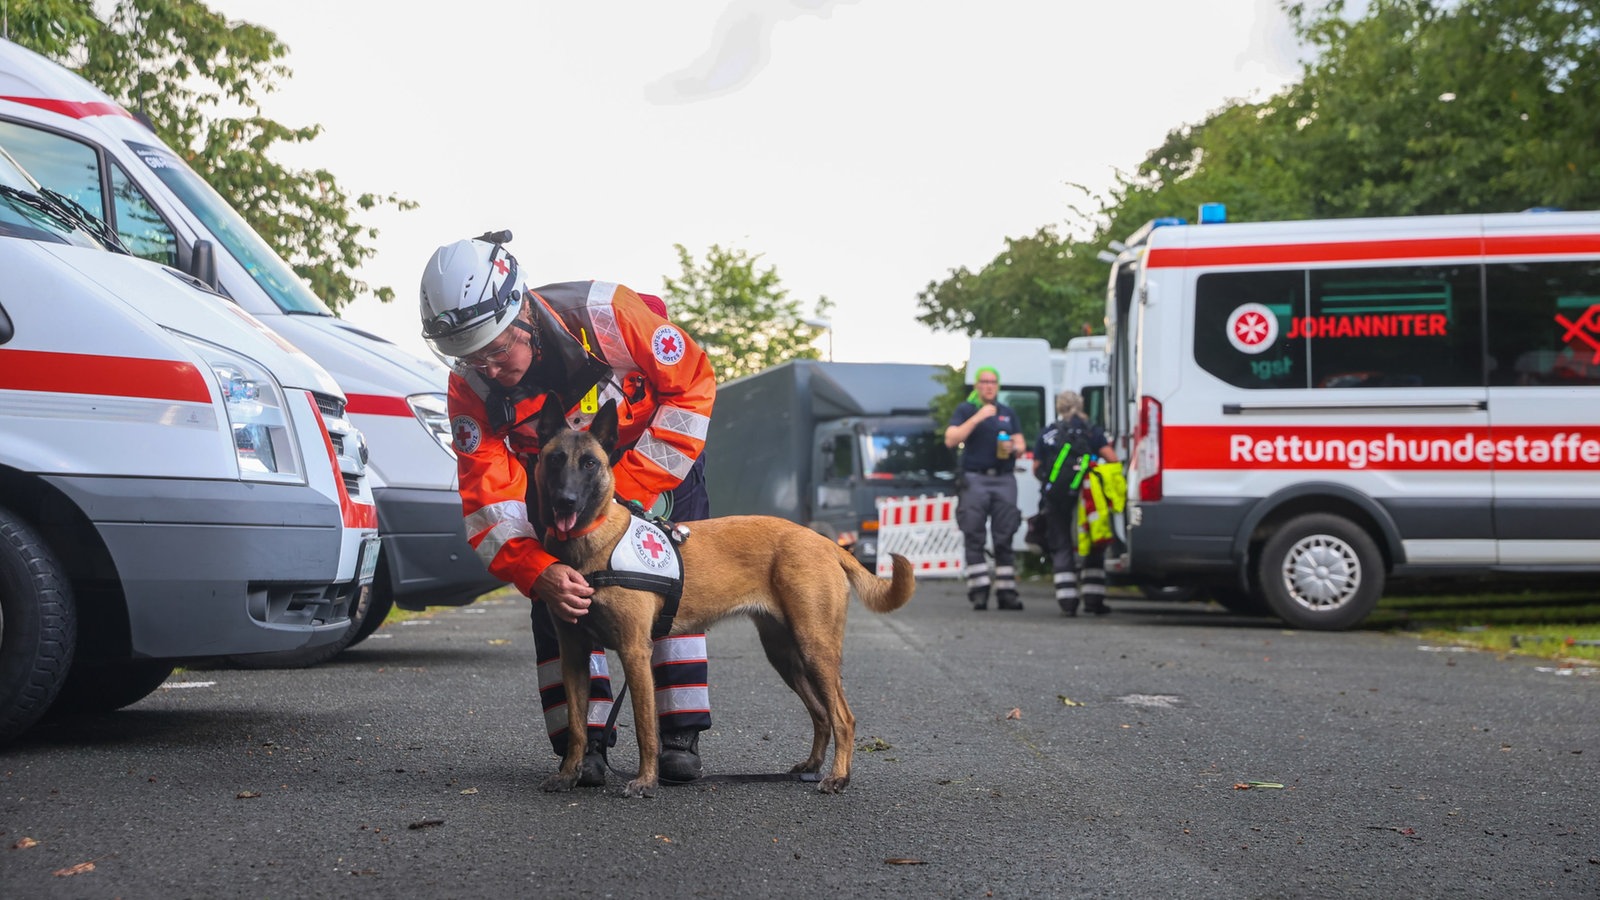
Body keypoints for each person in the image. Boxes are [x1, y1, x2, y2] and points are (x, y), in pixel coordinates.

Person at [419, 231, 716, 786]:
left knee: (669, 582)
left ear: (523, 311)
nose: (486, 366)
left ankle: (678, 737)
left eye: (497, 348)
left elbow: (692, 387)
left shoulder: (609, 313)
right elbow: (489, 501)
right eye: (470, 355)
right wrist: (537, 570)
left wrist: (621, 491)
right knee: (556, 601)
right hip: (556, 475)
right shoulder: (470, 389)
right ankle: (586, 746)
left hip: (656, 457)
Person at [945, 366, 1027, 610]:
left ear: (998, 386)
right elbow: (951, 439)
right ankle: (979, 590)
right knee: (974, 533)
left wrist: (1015, 446)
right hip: (975, 479)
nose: (989, 386)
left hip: (1003, 479)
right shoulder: (966, 410)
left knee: (1005, 533)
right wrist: (979, 417)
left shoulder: (1008, 413)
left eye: (993, 382)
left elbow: (1021, 443)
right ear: (977, 386)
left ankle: (1006, 591)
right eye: (985, 382)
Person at [1033, 389, 1118, 616]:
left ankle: (1067, 602)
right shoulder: (1091, 432)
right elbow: (1112, 459)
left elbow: (1036, 468)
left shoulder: (1048, 433)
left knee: (1061, 545)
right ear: (1081, 406)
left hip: (1055, 498)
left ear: (1059, 407)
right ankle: (1093, 600)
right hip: (1088, 499)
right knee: (1093, 545)